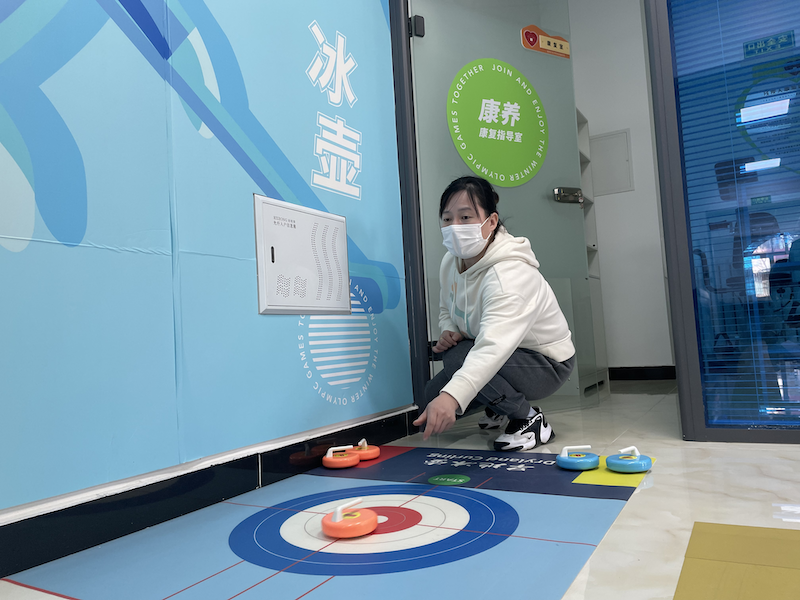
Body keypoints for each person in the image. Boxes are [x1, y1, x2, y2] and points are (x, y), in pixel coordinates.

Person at [413, 176, 576, 451]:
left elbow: (493, 348)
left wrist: (452, 398)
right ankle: (498, 403)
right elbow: (446, 307)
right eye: (447, 219)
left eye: (466, 217)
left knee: (457, 359)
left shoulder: (509, 274)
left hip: (546, 364)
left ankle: (528, 419)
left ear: (491, 222)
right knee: (431, 396)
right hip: (501, 353)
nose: (455, 227)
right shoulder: (451, 262)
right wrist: (449, 328)